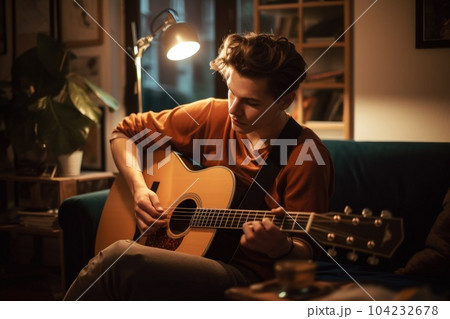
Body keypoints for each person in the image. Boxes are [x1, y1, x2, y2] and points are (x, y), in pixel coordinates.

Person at [63, 32, 334, 300]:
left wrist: (282, 247)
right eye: (231, 93)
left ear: (285, 100)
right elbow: (123, 133)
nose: (233, 110)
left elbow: (306, 251)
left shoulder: (305, 156)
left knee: (120, 258)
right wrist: (139, 189)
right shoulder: (211, 115)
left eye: (251, 103)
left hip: (249, 277)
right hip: (191, 254)